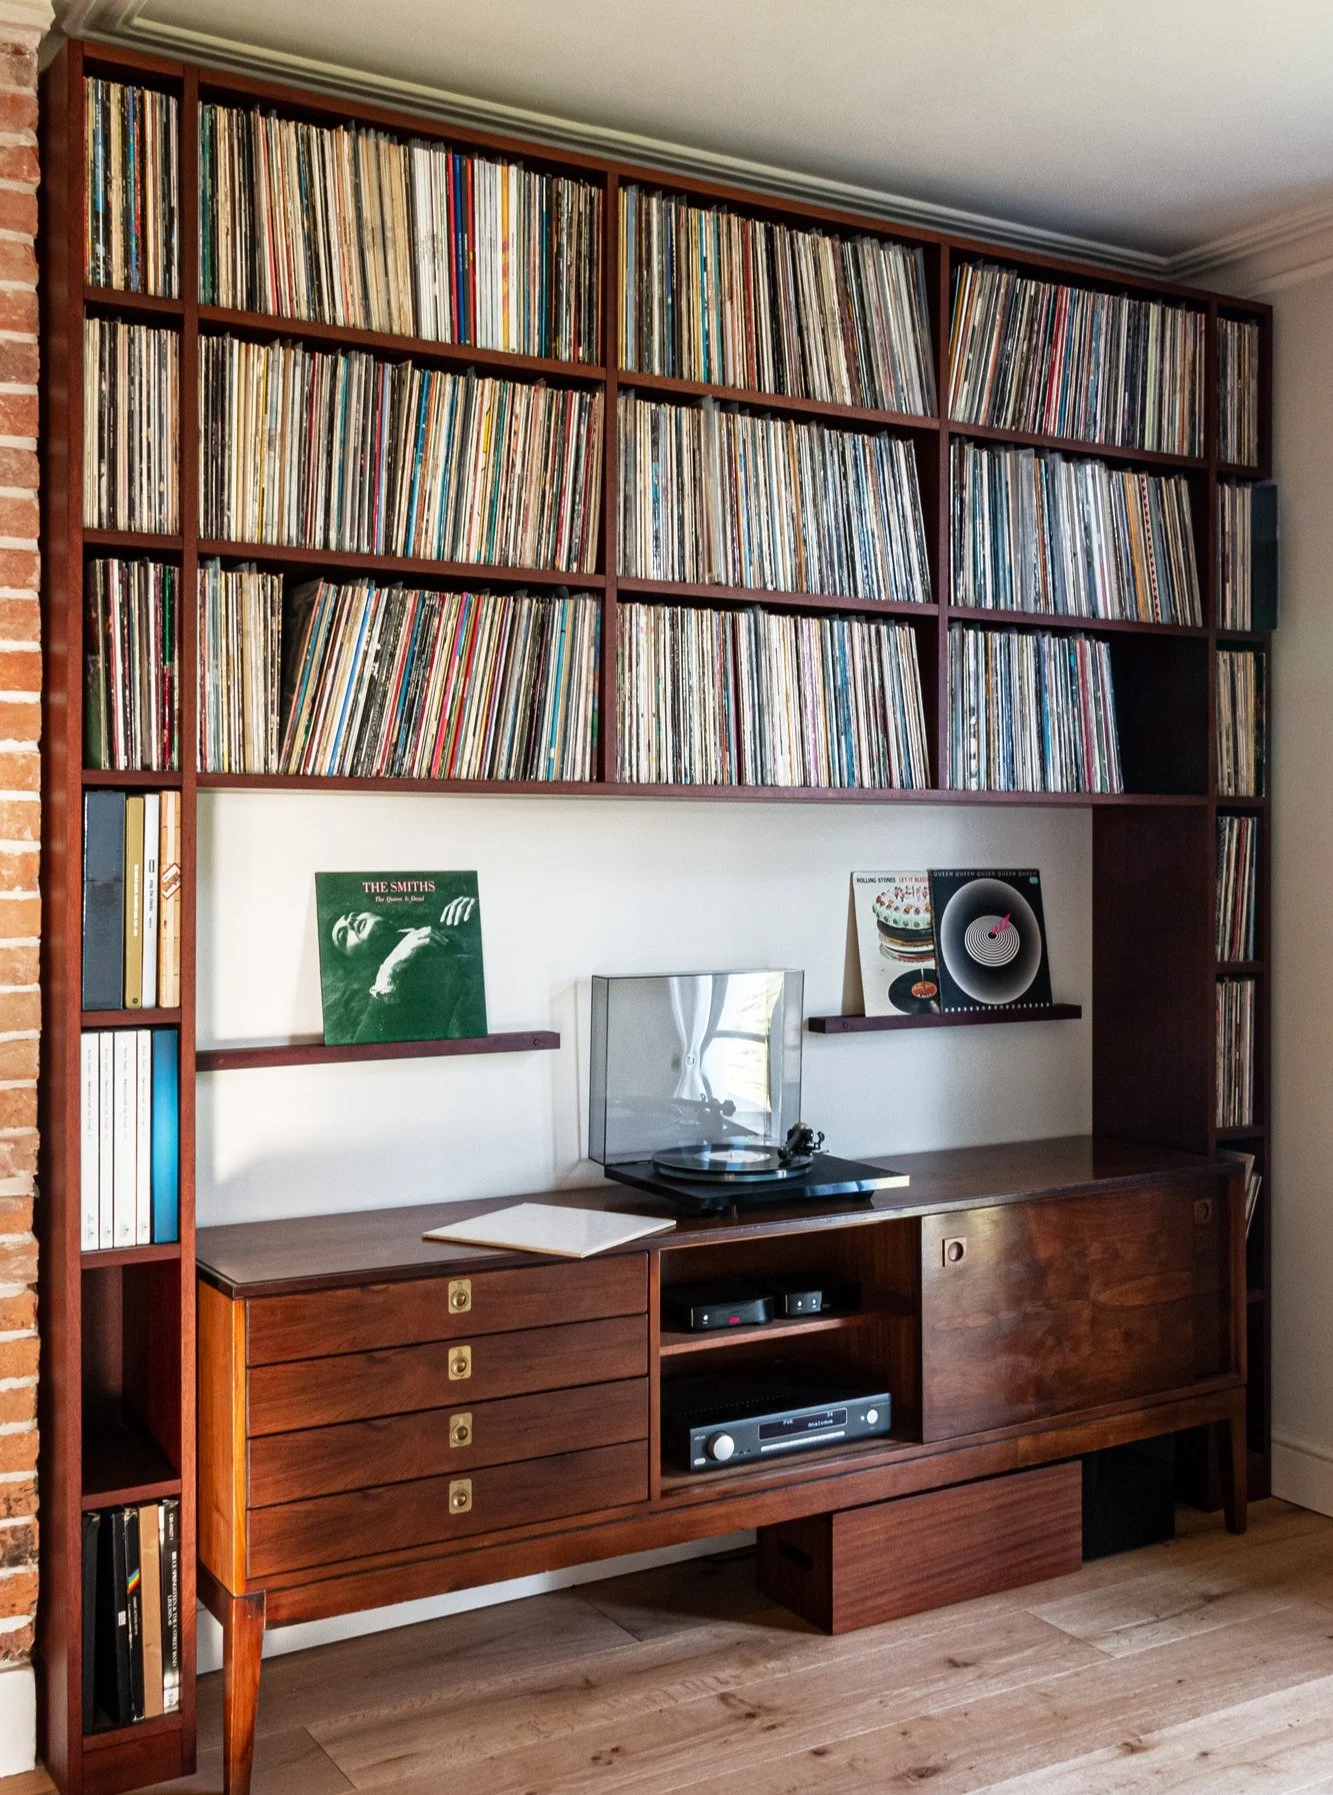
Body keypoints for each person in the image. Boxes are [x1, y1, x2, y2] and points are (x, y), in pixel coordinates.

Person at [327, 892, 484, 1042]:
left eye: (354, 915)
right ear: (350, 958)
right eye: (344, 935)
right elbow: (365, 1046)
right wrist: (389, 969)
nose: (352, 922)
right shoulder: (360, 991)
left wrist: (479, 911)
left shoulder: (438, 918)